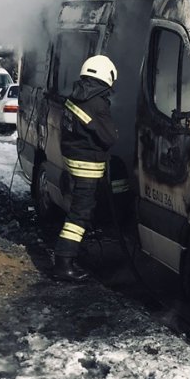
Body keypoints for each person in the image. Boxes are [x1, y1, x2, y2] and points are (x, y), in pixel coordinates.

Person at [53, 55, 119, 283]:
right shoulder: (97, 103)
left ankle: (72, 252)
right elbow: (109, 138)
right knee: (79, 215)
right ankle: (64, 262)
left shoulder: (76, 95)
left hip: (73, 161)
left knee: (79, 210)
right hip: (88, 167)